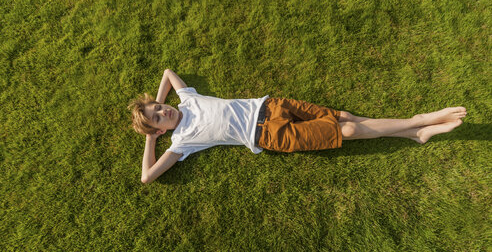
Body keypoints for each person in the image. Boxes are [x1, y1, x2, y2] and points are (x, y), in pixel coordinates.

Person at [128, 69, 467, 184]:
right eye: (159, 117)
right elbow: (147, 176)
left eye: (159, 107)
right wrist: (152, 137)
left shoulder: (188, 99)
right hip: (269, 135)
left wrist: (152, 105)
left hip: (272, 105)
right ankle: (419, 122)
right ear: (160, 131)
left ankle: (415, 134)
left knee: (345, 118)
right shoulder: (181, 142)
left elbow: (168, 73)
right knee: (346, 131)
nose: (163, 111)